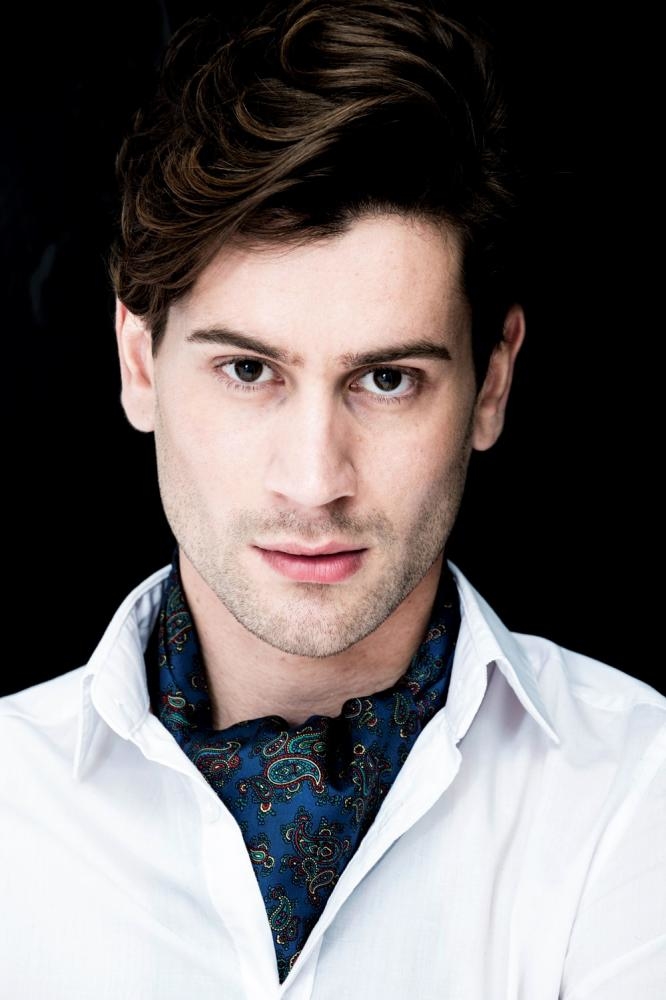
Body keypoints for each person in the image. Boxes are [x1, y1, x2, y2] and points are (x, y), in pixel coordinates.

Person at [1, 1, 664, 997]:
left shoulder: (638, 787)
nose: (315, 481)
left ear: (491, 384)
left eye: (387, 380)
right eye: (248, 371)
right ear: (139, 364)